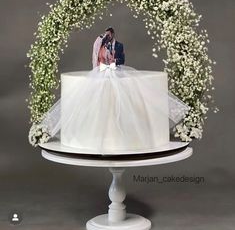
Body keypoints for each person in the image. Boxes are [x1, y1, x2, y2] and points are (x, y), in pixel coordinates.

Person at [40, 27, 190, 153]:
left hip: (116, 70)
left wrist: (114, 61)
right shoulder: (99, 44)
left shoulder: (119, 45)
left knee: (124, 97)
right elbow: (95, 57)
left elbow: (122, 58)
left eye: (110, 34)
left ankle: (137, 139)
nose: (108, 36)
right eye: (107, 34)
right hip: (100, 72)